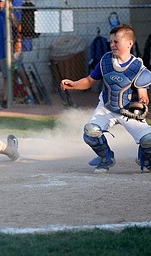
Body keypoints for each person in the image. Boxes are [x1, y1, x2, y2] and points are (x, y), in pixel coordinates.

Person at [60, 24, 151, 174]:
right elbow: (89, 80)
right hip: (106, 107)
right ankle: (106, 158)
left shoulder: (138, 68)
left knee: (148, 139)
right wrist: (74, 84)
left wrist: (142, 103)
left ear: (129, 43)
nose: (112, 45)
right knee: (90, 132)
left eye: (116, 42)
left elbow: (143, 95)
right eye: (111, 41)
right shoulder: (106, 61)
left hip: (128, 111)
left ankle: (145, 158)